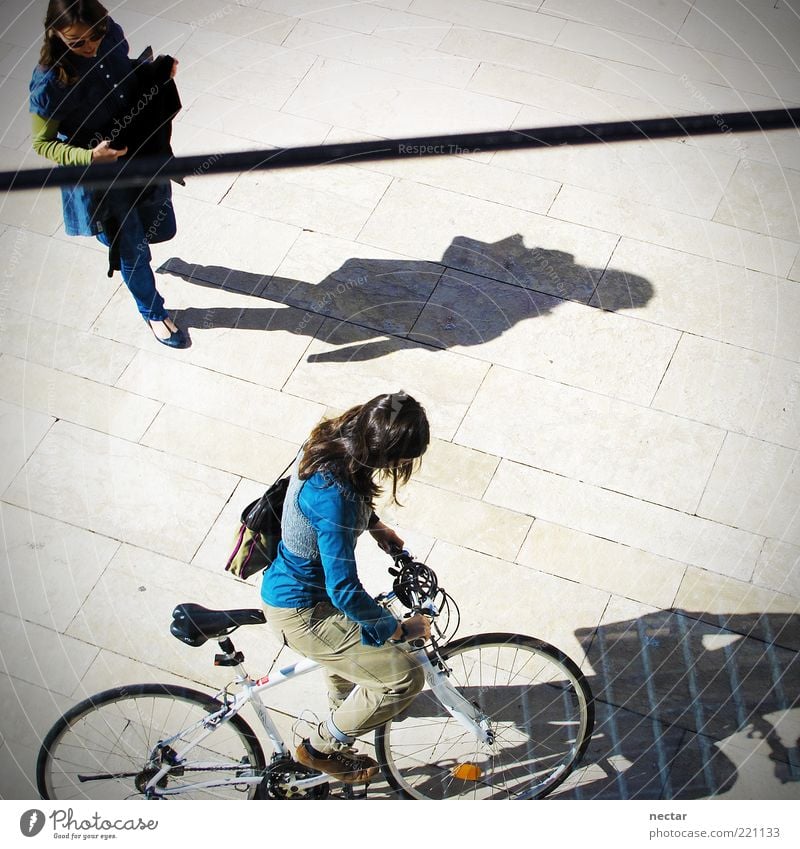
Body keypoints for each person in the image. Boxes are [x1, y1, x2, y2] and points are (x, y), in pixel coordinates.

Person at [262, 392, 431, 784]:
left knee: (360, 654)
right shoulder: (335, 498)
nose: (402, 466)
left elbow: (336, 503)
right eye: (402, 459)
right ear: (384, 450)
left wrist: (376, 527)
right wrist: (398, 628)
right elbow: (344, 591)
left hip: (295, 589)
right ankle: (320, 749)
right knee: (406, 677)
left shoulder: (332, 438)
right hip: (304, 611)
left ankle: (345, 719)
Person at [29, 0, 186, 348]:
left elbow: (121, 75)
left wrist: (155, 72)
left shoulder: (111, 33)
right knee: (131, 247)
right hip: (100, 173)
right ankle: (153, 312)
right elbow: (42, 143)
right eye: (77, 42)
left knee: (158, 221)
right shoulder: (49, 83)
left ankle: (112, 236)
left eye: (95, 35)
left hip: (139, 149)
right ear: (55, 34)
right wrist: (87, 156)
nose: (90, 47)